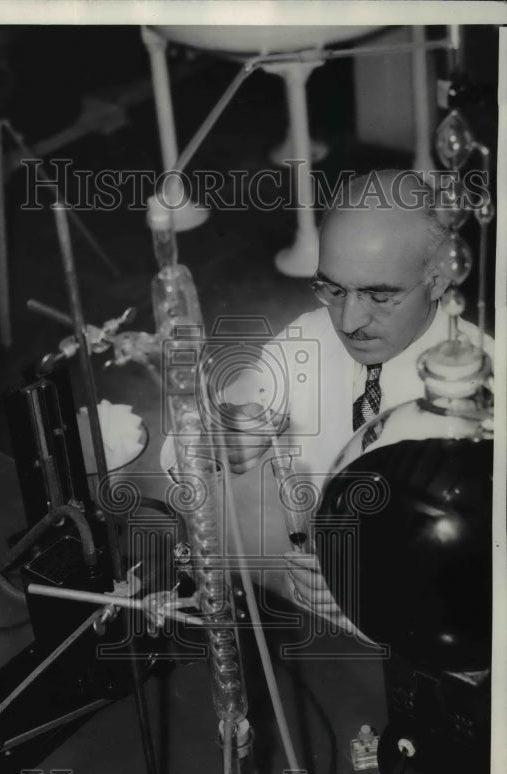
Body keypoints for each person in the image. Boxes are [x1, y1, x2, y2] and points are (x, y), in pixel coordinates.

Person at [165, 169, 492, 629]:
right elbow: (181, 450)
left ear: (438, 280)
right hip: (315, 625)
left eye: (380, 296)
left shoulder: (486, 385)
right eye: (333, 289)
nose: (350, 320)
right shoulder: (307, 339)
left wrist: (373, 593)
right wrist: (219, 438)